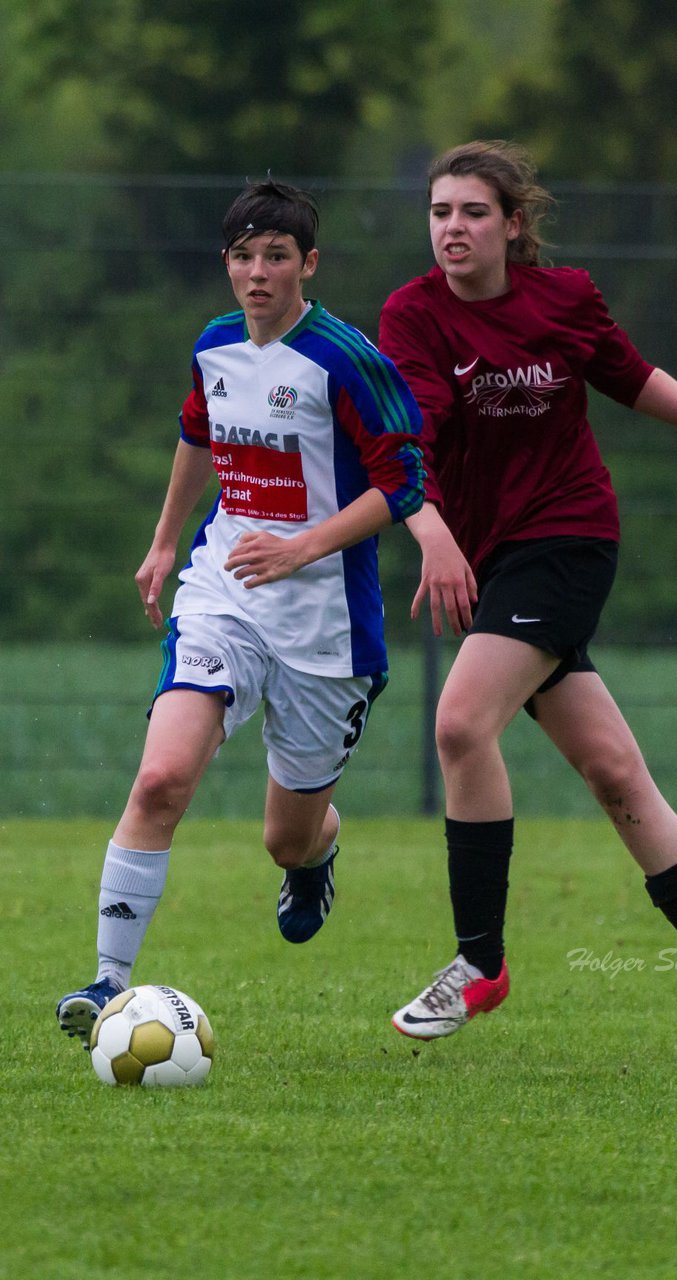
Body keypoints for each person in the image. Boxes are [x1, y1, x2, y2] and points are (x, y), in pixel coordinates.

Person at [378, 140, 677, 1053]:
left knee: (458, 725)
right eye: (440, 212)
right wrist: (435, 534)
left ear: (513, 224)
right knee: (615, 775)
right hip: (491, 557)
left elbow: (634, 380)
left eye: (473, 212)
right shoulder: (411, 315)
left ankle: (479, 964)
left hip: (569, 540)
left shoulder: (564, 299)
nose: (453, 227)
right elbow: (411, 435)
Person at [56, 179, 424, 1045]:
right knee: (160, 780)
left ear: (308, 265)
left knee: (285, 839)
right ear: (225, 264)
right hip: (223, 596)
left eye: (276, 258)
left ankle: (317, 855)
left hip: (326, 631)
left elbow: (404, 483)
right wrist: (162, 541)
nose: (257, 274)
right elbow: (197, 435)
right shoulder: (215, 346)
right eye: (243, 257)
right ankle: (106, 983)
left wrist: (302, 547)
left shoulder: (346, 360)